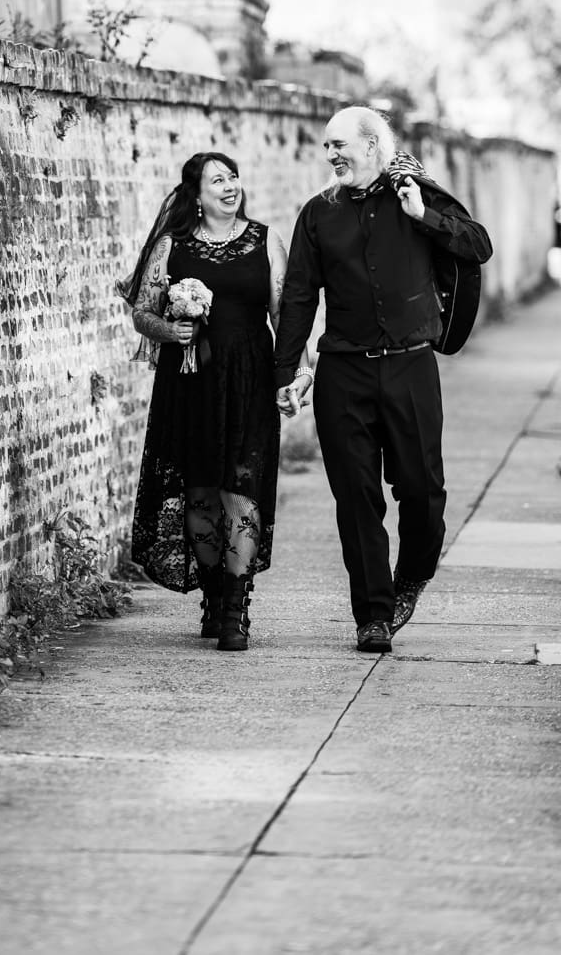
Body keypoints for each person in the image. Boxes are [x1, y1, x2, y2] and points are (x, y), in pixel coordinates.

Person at [274, 107, 493, 655]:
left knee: (422, 493)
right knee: (356, 498)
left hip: (411, 366)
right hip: (343, 372)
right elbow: (300, 295)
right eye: (327, 146)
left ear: (373, 145)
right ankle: (372, 615)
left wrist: (424, 216)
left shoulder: (419, 196)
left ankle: (412, 576)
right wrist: (288, 372)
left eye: (340, 144)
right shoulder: (319, 214)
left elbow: (478, 245)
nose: (331, 155)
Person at [125, 152, 308, 651]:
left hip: (249, 378)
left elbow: (283, 314)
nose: (230, 186)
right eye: (218, 180)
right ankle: (212, 593)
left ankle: (236, 607)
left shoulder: (266, 239)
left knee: (240, 487)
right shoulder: (172, 245)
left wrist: (297, 372)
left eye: (233, 177)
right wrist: (171, 327)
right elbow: (142, 312)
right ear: (197, 194)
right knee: (201, 489)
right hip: (189, 381)